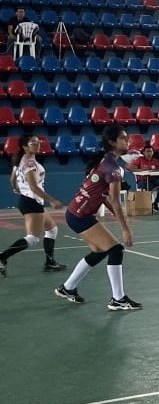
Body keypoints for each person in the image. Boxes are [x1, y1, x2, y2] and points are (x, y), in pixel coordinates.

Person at [54, 125, 141, 310]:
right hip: (80, 216)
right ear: (112, 142)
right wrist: (126, 229)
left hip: (75, 213)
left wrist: (111, 209)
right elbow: (116, 201)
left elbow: (104, 196)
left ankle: (67, 288)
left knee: (101, 251)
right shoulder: (113, 169)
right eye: (123, 139)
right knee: (116, 249)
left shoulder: (105, 160)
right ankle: (118, 299)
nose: (128, 141)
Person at [1, 133, 66, 276]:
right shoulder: (30, 163)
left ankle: (50, 262)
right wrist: (52, 200)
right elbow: (34, 187)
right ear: (25, 147)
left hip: (30, 201)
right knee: (33, 238)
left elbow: (13, 179)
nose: (37, 145)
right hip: (32, 202)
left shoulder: (20, 160)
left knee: (52, 229)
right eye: (33, 143)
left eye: (38, 142)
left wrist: (17, 188)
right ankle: (2, 257)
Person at [127, 144, 159, 212]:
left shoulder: (156, 161)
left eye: (150, 151)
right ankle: (147, 205)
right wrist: (142, 170)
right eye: (147, 151)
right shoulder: (140, 159)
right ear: (143, 152)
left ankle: (155, 203)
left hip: (153, 180)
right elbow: (132, 169)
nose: (149, 153)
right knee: (150, 186)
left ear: (153, 152)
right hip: (142, 181)